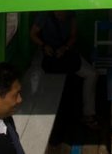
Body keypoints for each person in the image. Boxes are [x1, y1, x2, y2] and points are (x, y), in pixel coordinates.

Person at [29, 10, 99, 143]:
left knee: (92, 74)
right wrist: (44, 46)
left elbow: (73, 36)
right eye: (59, 13)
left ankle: (88, 114)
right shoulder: (44, 16)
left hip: (66, 53)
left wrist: (65, 48)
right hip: (50, 55)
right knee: (50, 81)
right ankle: (48, 119)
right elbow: (32, 34)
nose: (61, 15)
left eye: (63, 13)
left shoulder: (71, 14)